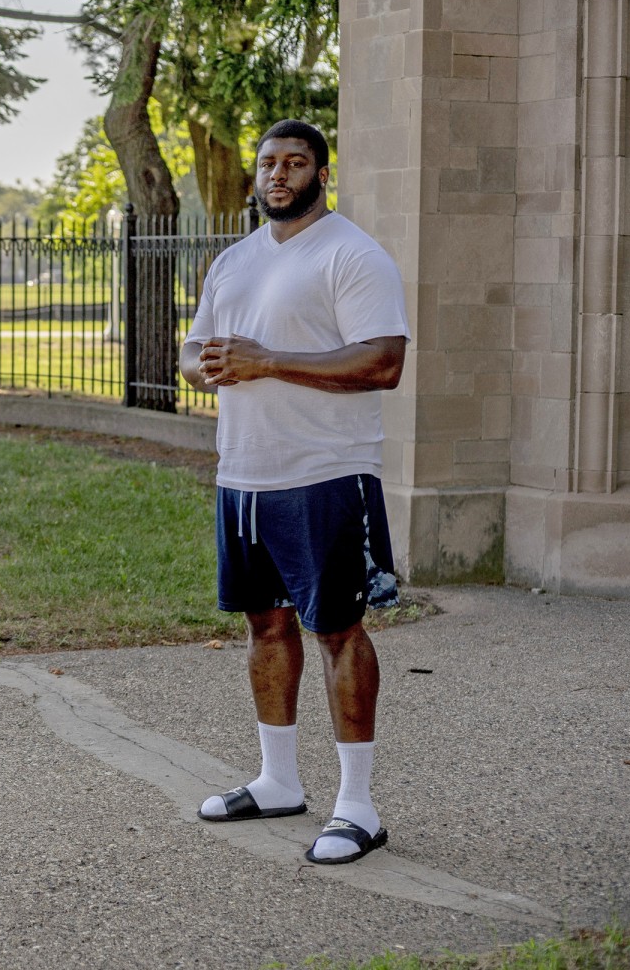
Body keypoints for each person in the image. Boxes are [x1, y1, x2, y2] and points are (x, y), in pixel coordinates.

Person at [179, 120, 409, 865]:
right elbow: (195, 351)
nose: (278, 173)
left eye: (295, 163)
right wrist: (206, 368)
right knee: (266, 628)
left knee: (339, 629)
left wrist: (268, 360)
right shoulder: (235, 260)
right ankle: (278, 780)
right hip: (243, 474)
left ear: (320, 173)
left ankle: (358, 807)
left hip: (326, 473)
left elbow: (382, 363)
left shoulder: (353, 253)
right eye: (268, 162)